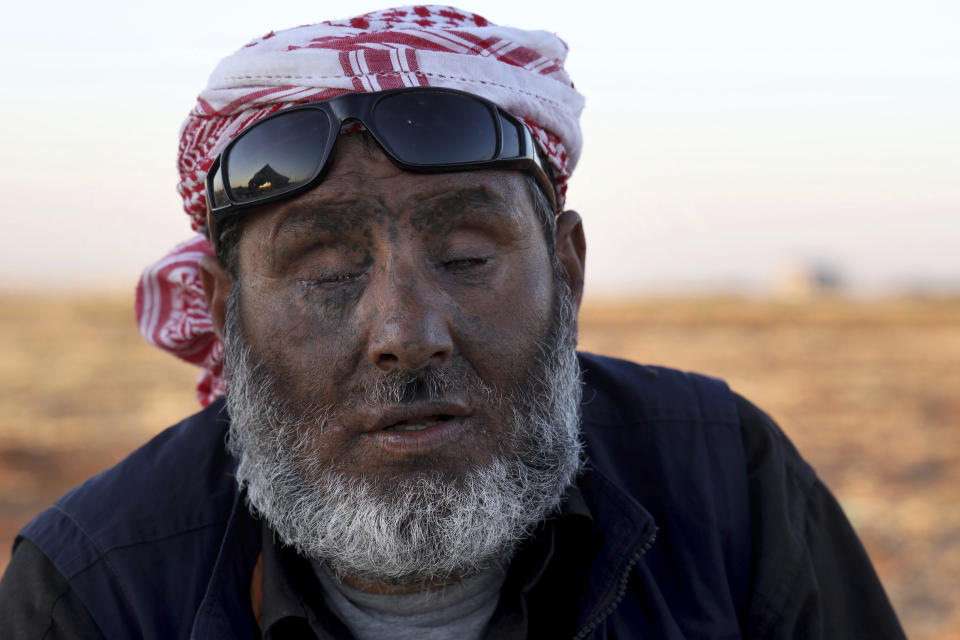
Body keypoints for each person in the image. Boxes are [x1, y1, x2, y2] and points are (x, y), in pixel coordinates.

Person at [0, 6, 906, 639]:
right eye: (324, 270)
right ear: (229, 316)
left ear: (568, 271)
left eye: (468, 256)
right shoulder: (97, 588)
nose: (407, 331)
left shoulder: (727, 483)